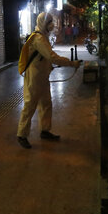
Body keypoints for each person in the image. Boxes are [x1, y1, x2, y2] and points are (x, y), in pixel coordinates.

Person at [17, 12, 80, 149]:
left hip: (42, 77)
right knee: (30, 105)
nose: (51, 24)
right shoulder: (38, 39)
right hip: (34, 78)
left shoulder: (44, 37)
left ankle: (45, 130)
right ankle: (22, 134)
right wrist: (71, 63)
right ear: (42, 23)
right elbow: (52, 57)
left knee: (46, 104)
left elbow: (45, 59)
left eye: (51, 21)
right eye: (49, 22)